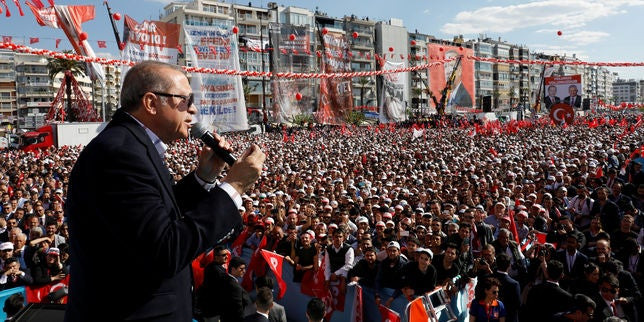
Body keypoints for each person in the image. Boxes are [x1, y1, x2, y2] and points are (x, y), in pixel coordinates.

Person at [64, 61, 266, 321]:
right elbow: (165, 249)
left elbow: (155, 219)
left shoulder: (129, 145)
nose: (192, 109)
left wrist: (204, 177)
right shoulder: (120, 153)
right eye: (185, 100)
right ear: (151, 103)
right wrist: (234, 185)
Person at [494, 254, 521, 322]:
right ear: (509, 266)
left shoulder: (490, 278)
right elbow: (518, 304)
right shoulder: (514, 284)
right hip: (509, 317)